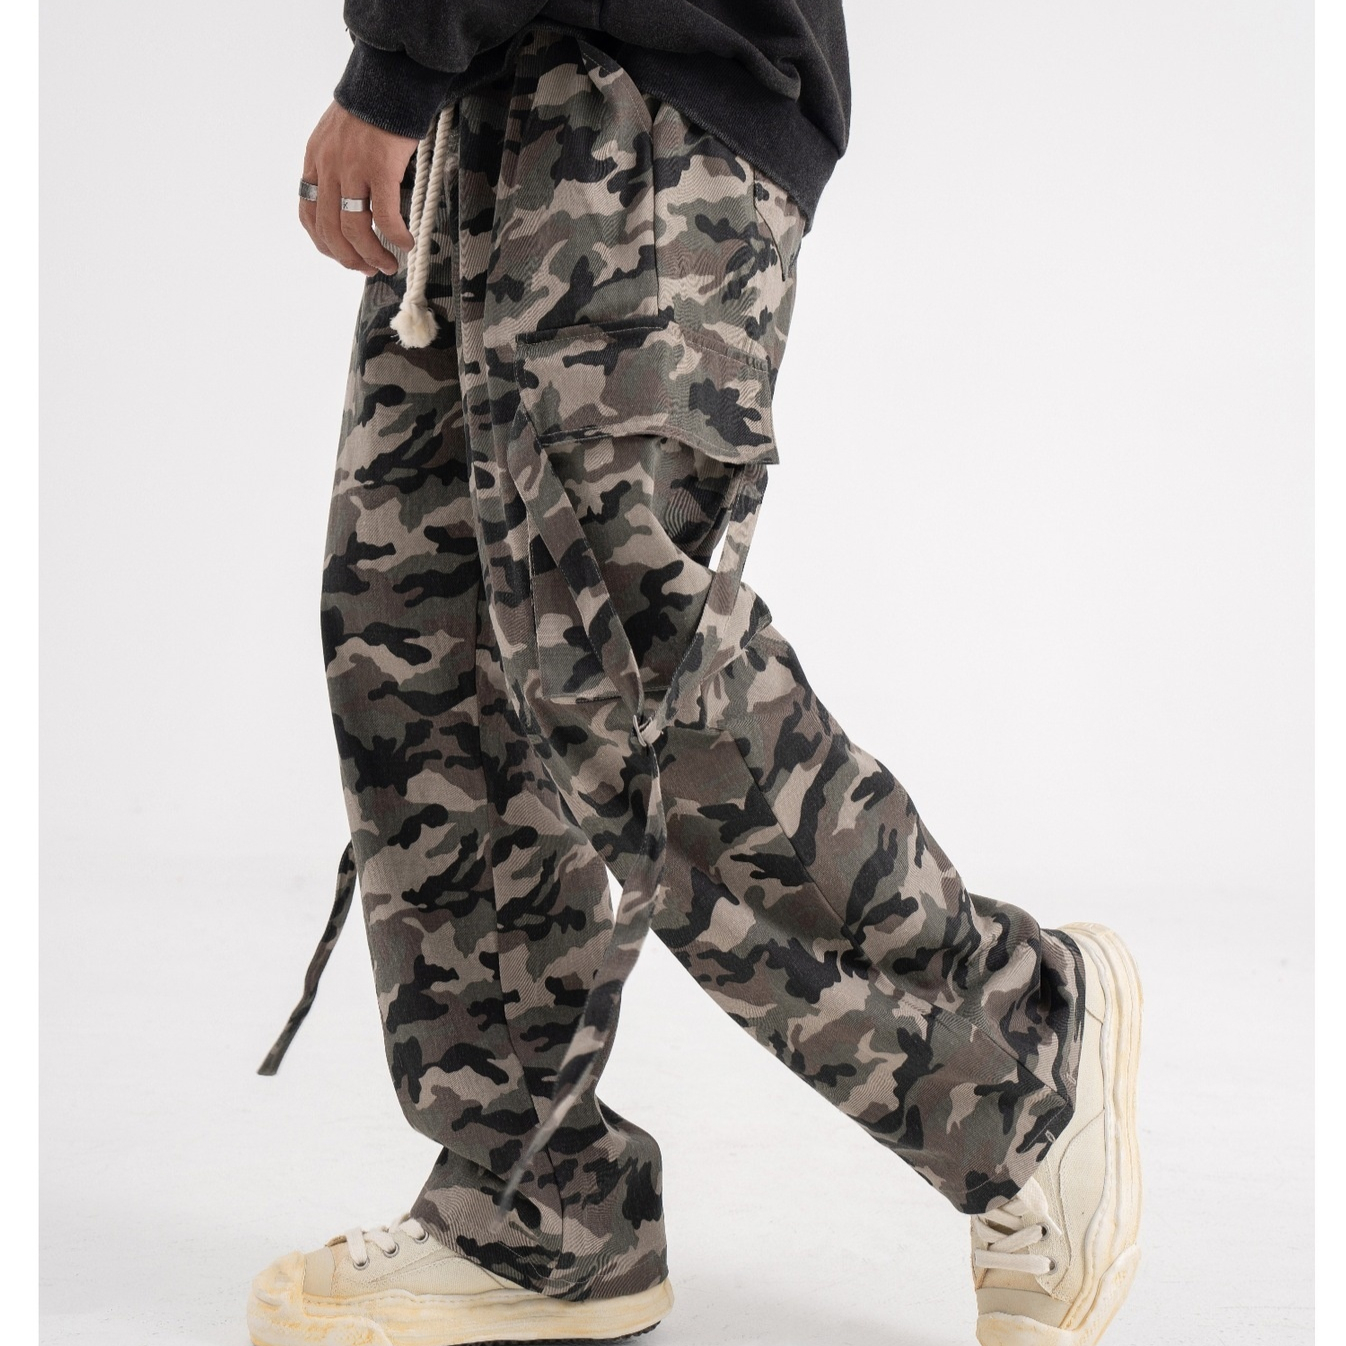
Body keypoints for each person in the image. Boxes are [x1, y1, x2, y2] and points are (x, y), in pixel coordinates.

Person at [246, 6, 1144, 1345]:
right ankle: (536, 1212)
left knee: (618, 666)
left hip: (641, 93)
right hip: (484, 98)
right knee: (423, 641)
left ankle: (1015, 1046)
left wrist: (394, 59)